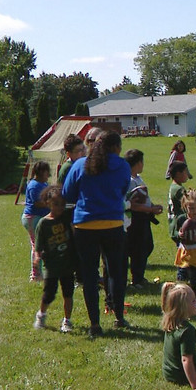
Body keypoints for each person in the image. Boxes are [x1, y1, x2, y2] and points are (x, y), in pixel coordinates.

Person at [62, 129, 131, 336]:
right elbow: (122, 191)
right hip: (112, 224)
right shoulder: (122, 166)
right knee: (116, 272)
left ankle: (94, 325)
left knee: (90, 276)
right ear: (117, 148)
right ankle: (119, 316)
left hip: (85, 226)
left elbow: (67, 194)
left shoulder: (80, 165)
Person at [33, 186, 77, 332]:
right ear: (48, 203)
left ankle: (67, 320)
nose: (60, 207)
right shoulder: (43, 224)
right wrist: (37, 258)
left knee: (68, 293)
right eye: (56, 204)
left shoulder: (66, 217)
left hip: (67, 264)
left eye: (62, 204)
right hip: (51, 265)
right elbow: (38, 246)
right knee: (49, 293)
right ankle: (41, 315)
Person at [124, 149, 163, 288]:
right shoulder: (129, 181)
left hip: (145, 218)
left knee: (147, 246)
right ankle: (137, 279)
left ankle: (139, 275)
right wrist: (150, 209)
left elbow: (144, 198)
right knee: (138, 249)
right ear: (138, 163)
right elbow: (134, 205)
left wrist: (153, 206)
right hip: (136, 219)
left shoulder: (138, 178)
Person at [173, 189, 196, 309]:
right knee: (181, 275)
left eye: (195, 208)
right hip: (184, 251)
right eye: (190, 208)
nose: (193, 211)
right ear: (185, 207)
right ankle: (180, 299)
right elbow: (173, 233)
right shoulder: (181, 219)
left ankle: (194, 299)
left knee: (194, 277)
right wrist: (179, 235)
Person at [21, 161, 51, 281]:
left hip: (37, 218)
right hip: (32, 218)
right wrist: (52, 203)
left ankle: (42, 272)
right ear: (41, 172)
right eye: (47, 172)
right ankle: (35, 275)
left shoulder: (43, 184)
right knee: (37, 247)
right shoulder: (34, 185)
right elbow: (38, 203)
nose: (48, 175)